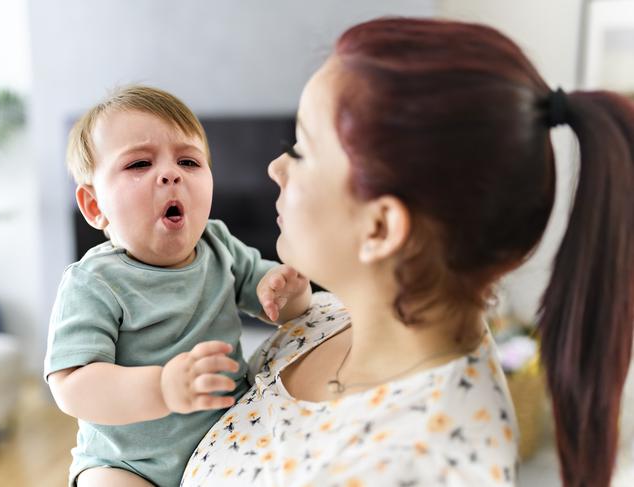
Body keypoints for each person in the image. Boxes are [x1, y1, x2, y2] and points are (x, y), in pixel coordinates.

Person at [180, 17, 634, 487]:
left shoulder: (421, 465)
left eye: (301, 150)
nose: (276, 167)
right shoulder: (323, 320)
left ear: (380, 227)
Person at [43, 86, 312, 487]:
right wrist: (162, 388)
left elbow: (280, 307)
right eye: (138, 164)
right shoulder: (94, 282)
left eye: (188, 161)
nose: (170, 174)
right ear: (95, 206)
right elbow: (73, 387)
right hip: (128, 464)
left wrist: (289, 291)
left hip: (227, 439)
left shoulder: (219, 245)